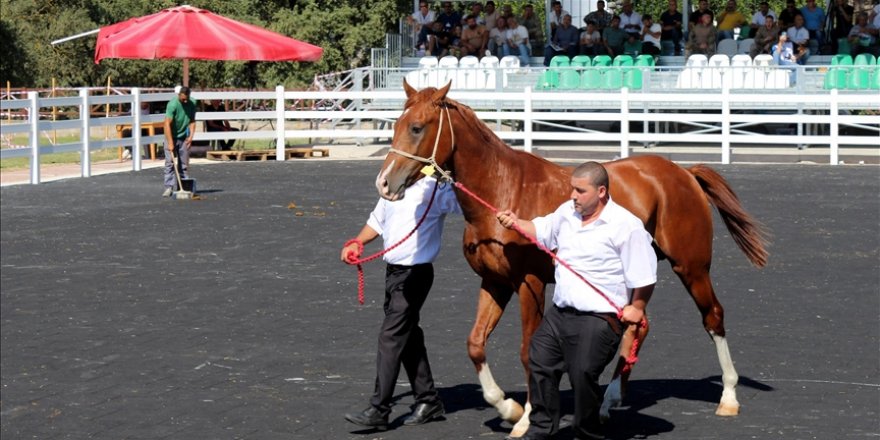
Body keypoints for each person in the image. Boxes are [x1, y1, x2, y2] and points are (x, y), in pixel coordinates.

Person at [495, 161, 657, 440]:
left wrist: (638, 306)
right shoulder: (566, 213)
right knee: (539, 359)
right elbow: (541, 229)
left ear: (602, 192)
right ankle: (541, 429)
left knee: (582, 372)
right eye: (572, 189)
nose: (572, 196)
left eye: (580, 191)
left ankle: (587, 432)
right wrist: (516, 222)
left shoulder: (627, 227)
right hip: (560, 314)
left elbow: (644, 275)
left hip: (599, 319)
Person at [342, 176, 461, 431]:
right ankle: (428, 400)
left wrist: (455, 179)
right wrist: (358, 241)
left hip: (415, 275)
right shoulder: (393, 185)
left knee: (391, 336)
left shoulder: (436, 189)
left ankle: (379, 409)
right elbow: (377, 221)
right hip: (393, 274)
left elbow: (465, 204)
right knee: (408, 337)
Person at [162, 86, 196, 198]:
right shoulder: (173, 104)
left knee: (184, 163)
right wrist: (170, 142)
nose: (185, 101)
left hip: (183, 137)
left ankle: (183, 186)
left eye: (187, 99)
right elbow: (166, 123)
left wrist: (191, 136)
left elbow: (192, 121)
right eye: (183, 99)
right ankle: (169, 187)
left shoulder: (192, 103)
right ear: (179, 95)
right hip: (170, 135)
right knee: (169, 162)